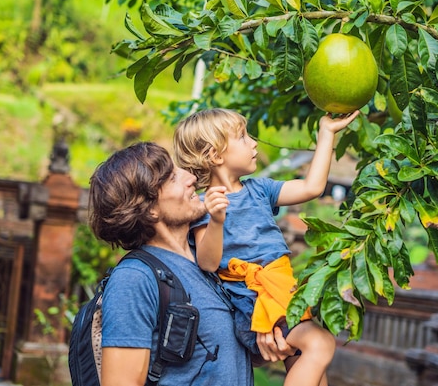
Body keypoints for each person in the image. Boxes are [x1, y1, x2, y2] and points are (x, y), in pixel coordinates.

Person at [173, 108, 360, 386]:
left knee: (317, 376)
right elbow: (208, 262)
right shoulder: (206, 204)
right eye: (242, 137)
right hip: (255, 303)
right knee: (320, 344)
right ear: (215, 155)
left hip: (283, 292)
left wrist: (327, 133)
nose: (254, 142)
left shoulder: (259, 190)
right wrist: (216, 220)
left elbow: (311, 187)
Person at [87, 141, 294, 386]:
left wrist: (267, 339)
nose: (191, 177)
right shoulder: (134, 279)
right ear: (150, 208)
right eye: (173, 177)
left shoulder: (211, 265)